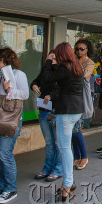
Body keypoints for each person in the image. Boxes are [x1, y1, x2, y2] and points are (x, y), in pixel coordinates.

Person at [0, 47, 29, 204]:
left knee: (5, 154)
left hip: (11, 120)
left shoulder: (19, 75)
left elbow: (24, 94)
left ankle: (11, 189)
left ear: (4, 60)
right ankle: (1, 186)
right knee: (0, 156)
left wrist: (9, 90)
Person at [45, 42, 84, 202]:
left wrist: (48, 61)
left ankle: (68, 183)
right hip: (76, 109)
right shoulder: (75, 66)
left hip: (66, 111)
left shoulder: (65, 68)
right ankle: (68, 182)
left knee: (64, 148)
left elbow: (47, 78)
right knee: (65, 147)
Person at [31, 51, 63, 183]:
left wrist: (51, 96)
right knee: (49, 143)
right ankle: (47, 168)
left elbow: (62, 88)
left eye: (54, 58)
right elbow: (37, 80)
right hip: (44, 110)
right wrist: (33, 85)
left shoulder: (61, 71)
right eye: (50, 58)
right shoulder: (46, 71)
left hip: (55, 111)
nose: (52, 60)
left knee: (57, 142)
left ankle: (58, 169)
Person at [72, 39, 94, 170]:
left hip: (81, 97)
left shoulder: (89, 62)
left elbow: (83, 77)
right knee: (72, 129)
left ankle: (84, 156)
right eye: (77, 48)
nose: (79, 51)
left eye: (82, 49)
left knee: (76, 128)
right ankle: (77, 156)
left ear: (87, 50)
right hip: (71, 97)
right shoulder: (73, 60)